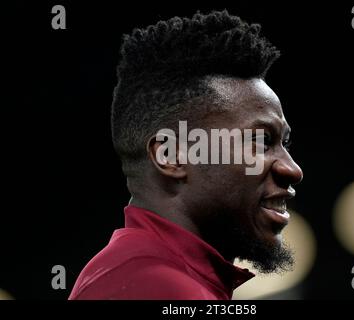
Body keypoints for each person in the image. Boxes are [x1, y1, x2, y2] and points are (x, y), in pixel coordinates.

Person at [69, 10, 303, 300]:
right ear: (171, 155)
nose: (293, 169)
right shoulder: (151, 286)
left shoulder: (152, 277)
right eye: (260, 141)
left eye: (285, 143)